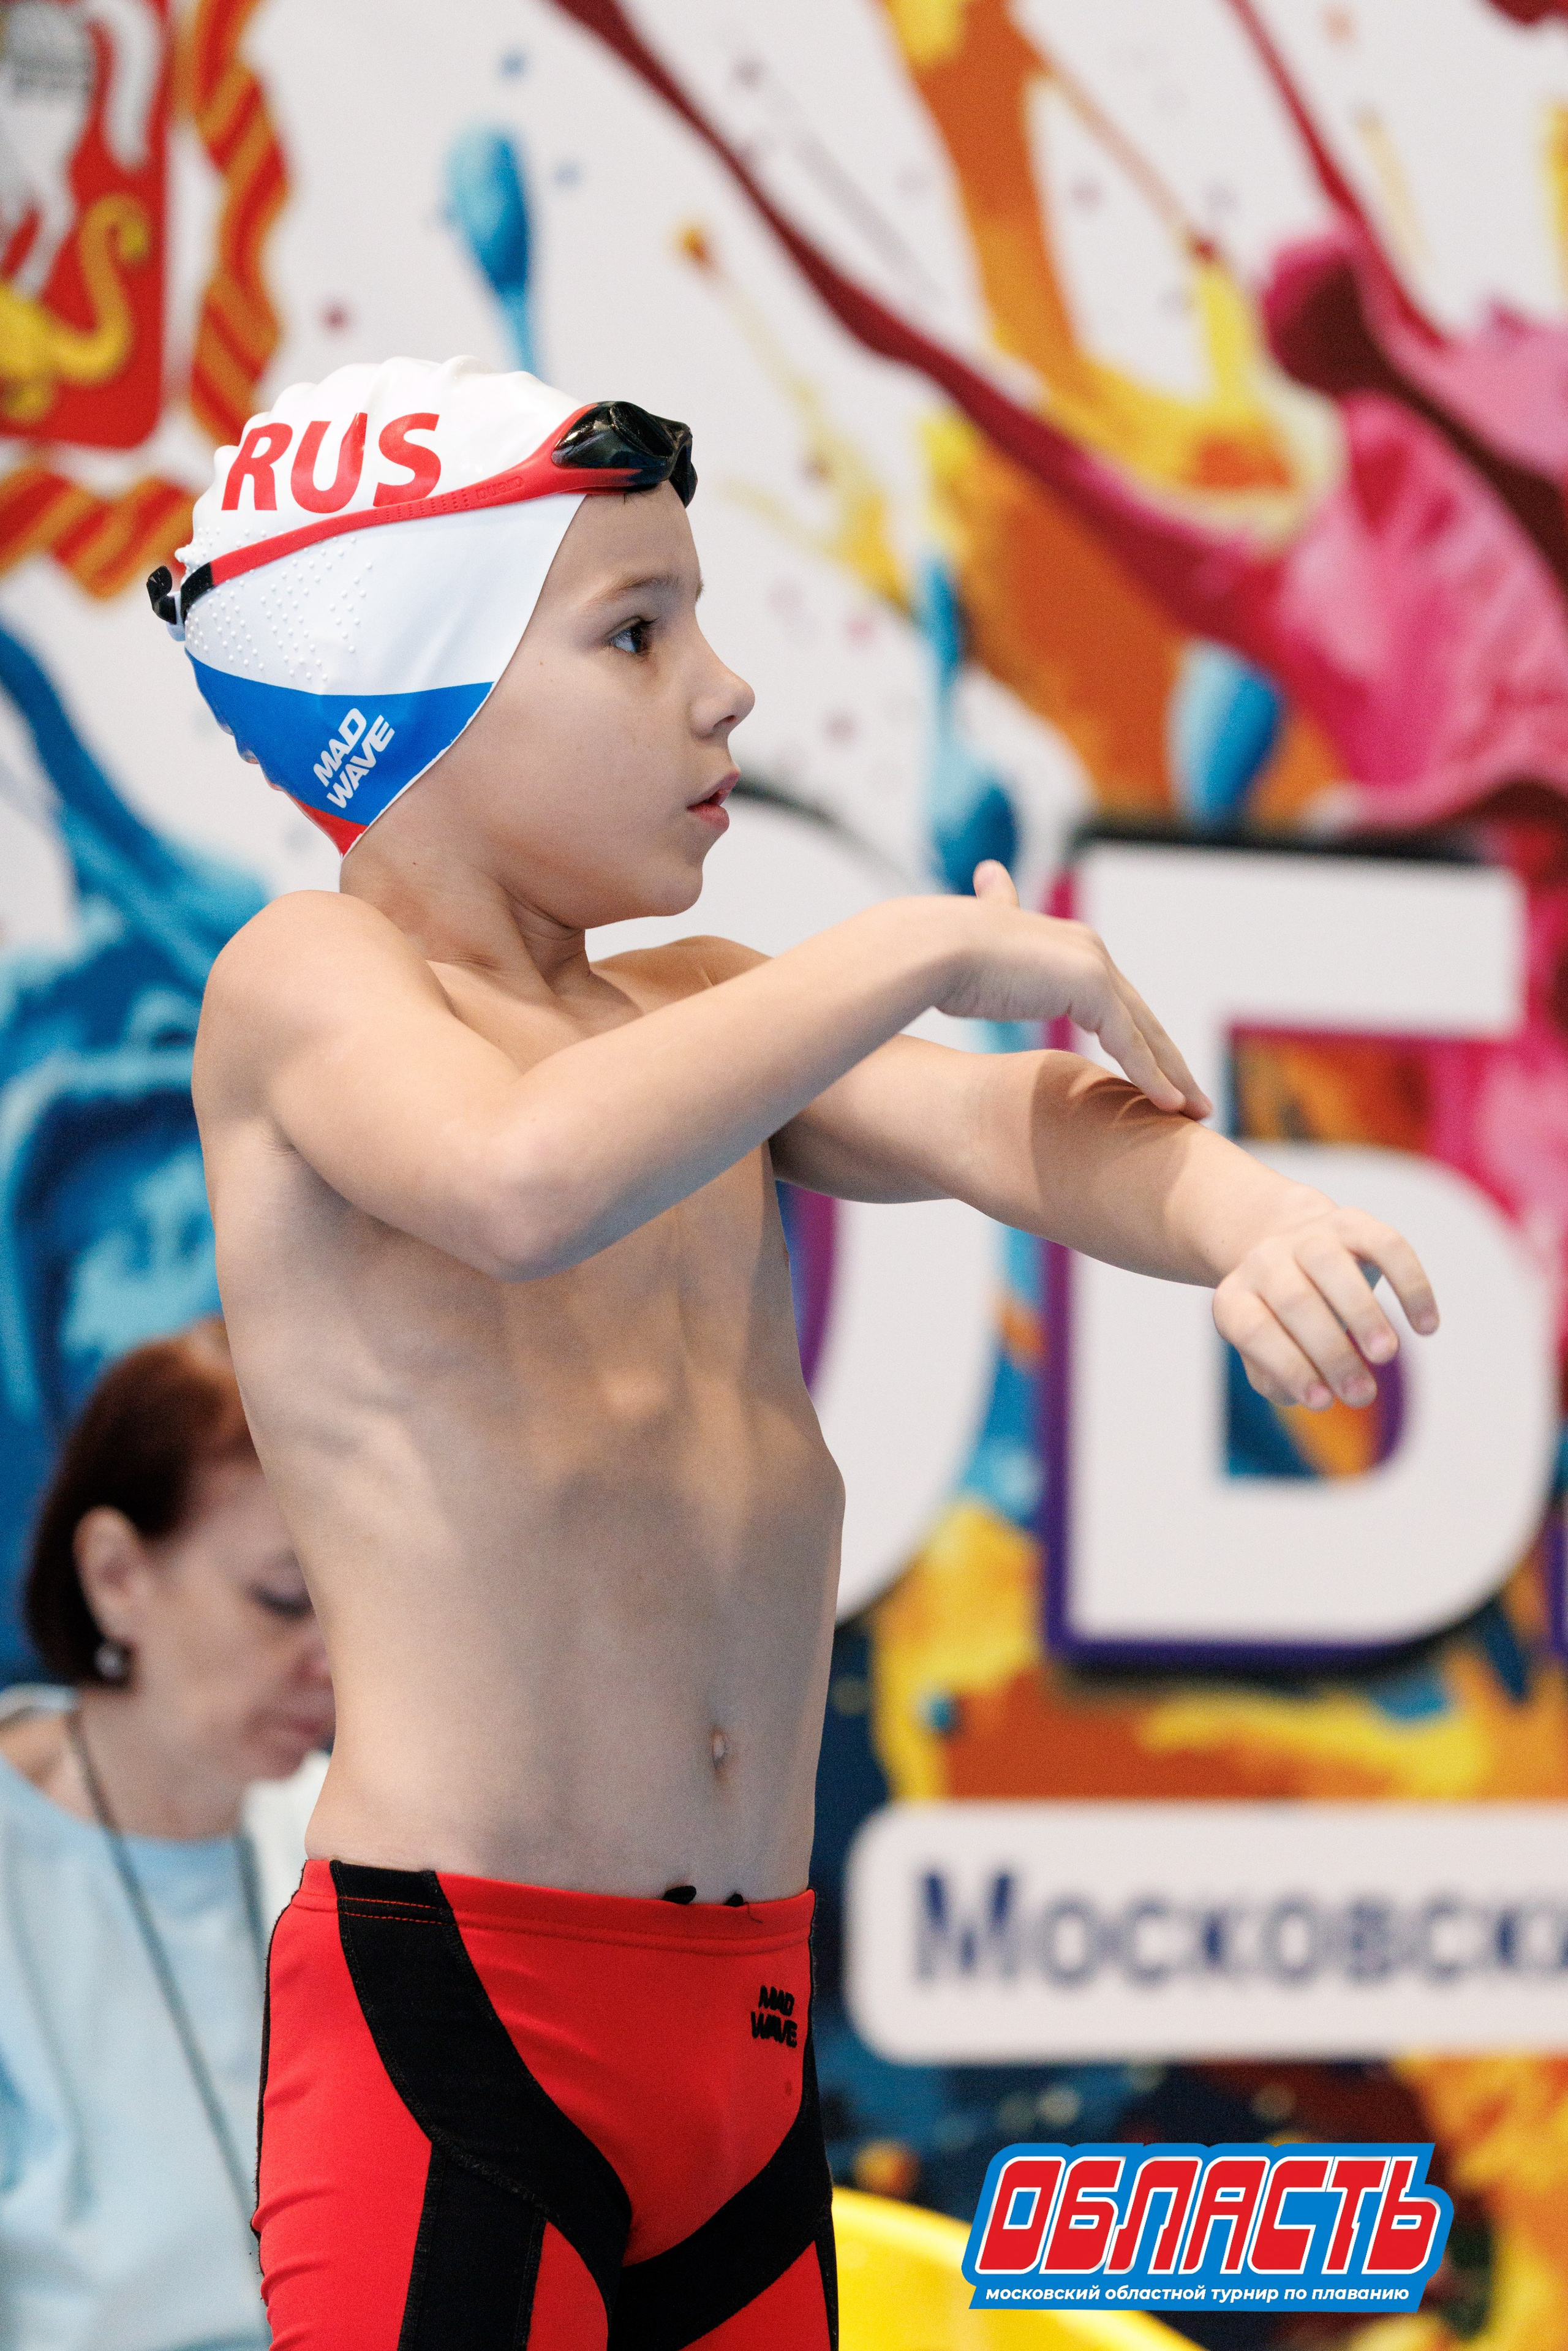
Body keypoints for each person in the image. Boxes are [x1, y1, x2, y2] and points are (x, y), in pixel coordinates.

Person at [161, 357, 1439, 2350]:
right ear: (408, 705)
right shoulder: (306, 986)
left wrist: (1250, 1217)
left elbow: (1009, 1124)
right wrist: (912, 942)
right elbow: (514, 1179)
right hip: (463, 2018)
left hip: (743, 2023)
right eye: (637, 628)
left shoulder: (701, 1012)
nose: (724, 685)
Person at [0, 1321, 334, 2351]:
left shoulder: (348, 1833)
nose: (334, 1659)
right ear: (114, 1573)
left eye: (355, 1603)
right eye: (283, 1600)